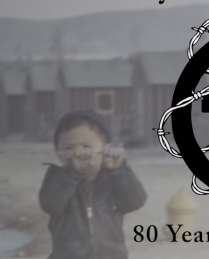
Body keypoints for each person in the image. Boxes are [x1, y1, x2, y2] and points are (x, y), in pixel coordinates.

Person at [38, 109, 147, 259]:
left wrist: (119, 171)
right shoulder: (57, 177)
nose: (79, 153)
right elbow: (50, 205)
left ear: (106, 149)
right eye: (69, 149)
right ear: (57, 152)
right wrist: (71, 172)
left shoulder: (113, 177)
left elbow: (135, 202)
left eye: (87, 146)